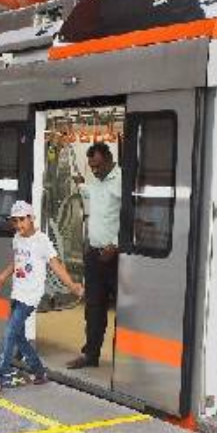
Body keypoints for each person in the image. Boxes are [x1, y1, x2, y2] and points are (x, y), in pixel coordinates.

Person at [0, 201, 83, 395]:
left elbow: (56, 265)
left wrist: (72, 286)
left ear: (31, 218)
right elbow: (17, 261)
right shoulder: (17, 238)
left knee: (10, 333)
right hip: (17, 293)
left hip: (30, 297)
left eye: (22, 220)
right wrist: (3, 276)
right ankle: (39, 372)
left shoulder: (41, 241)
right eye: (15, 221)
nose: (18, 224)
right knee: (19, 337)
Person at [67, 142, 122, 370]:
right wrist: (80, 183)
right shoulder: (96, 182)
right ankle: (90, 355)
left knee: (126, 310)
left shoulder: (122, 180)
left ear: (109, 160)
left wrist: (116, 245)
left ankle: (127, 362)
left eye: (98, 166)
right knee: (94, 309)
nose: (95, 171)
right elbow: (89, 191)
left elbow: (133, 215)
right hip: (95, 256)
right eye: (92, 167)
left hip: (117, 257)